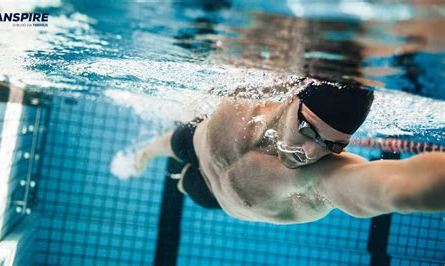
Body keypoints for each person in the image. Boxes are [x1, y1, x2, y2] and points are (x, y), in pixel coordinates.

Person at [134, 82, 445, 224]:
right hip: (197, 142)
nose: (311, 153)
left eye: (332, 145)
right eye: (309, 130)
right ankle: (146, 154)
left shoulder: (320, 178)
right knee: (173, 142)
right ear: (292, 98)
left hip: (214, 196)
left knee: (185, 183)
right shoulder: (252, 88)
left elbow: (395, 187)